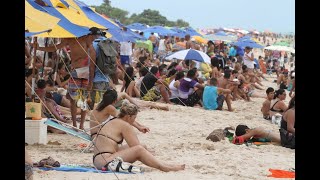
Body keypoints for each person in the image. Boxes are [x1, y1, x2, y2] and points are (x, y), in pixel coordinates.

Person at [37, 27, 102, 129]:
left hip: (85, 73)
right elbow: (55, 47)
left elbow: (92, 65)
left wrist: (91, 82)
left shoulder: (90, 46)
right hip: (76, 72)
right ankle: (75, 124)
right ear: (89, 35)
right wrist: (39, 48)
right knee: (73, 100)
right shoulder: (72, 39)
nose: (94, 39)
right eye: (94, 37)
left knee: (83, 99)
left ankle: (81, 124)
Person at [92, 102, 185, 172]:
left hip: (99, 159)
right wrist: (150, 154)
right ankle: (164, 167)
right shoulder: (125, 125)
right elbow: (136, 146)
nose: (134, 121)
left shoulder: (115, 120)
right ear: (129, 116)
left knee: (142, 147)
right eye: (134, 118)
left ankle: (163, 164)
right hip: (105, 161)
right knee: (140, 149)